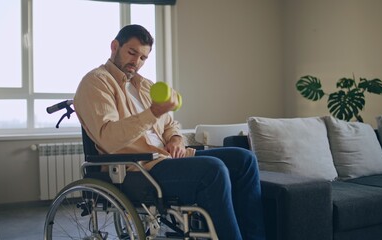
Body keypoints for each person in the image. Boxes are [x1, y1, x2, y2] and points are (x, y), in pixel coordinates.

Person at [73, 24, 265, 240]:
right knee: (214, 169)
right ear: (115, 46)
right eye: (132, 53)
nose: (136, 62)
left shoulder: (144, 85)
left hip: (167, 159)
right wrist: (153, 112)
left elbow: (170, 124)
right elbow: (109, 138)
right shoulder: (96, 82)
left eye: (143, 58)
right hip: (137, 168)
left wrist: (175, 139)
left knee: (244, 159)